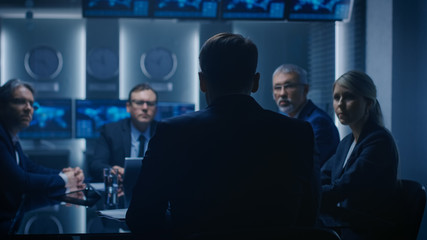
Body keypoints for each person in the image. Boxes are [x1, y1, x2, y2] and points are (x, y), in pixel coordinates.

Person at [126, 33, 319, 239]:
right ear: (255, 82)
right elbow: (308, 219)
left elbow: (141, 218)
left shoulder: (173, 132)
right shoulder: (299, 133)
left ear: (202, 81)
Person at [319, 71, 399, 239]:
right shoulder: (346, 143)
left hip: (367, 230)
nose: (340, 104)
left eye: (348, 97)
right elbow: (323, 176)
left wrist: (308, 195)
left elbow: (344, 188)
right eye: (336, 97)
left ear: (368, 104)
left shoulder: (379, 141)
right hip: (347, 224)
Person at [0, 79, 84, 234]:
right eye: (20, 102)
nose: (28, 109)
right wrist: (65, 179)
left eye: (32, 104)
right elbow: (20, 181)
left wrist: (66, 173)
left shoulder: (11, 136)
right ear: (2, 105)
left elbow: (31, 167)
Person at [272, 64, 339, 166]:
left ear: (306, 89)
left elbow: (306, 166)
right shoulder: (281, 117)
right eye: (277, 87)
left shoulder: (319, 123)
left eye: (289, 86)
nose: (282, 93)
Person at [89, 83, 158, 182]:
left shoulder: (166, 134)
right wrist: (112, 171)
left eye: (150, 103)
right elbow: (96, 165)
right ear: (128, 107)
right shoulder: (110, 131)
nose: (145, 108)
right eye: (139, 102)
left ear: (156, 109)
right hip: (121, 191)